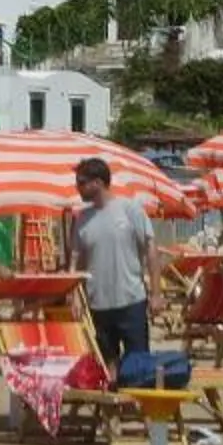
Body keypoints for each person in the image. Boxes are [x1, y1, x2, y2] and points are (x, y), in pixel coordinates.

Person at [69, 157, 156, 378]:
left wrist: (156, 293)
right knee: (109, 366)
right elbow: (76, 261)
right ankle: (113, 409)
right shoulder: (82, 219)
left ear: (97, 182)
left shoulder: (130, 209)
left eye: (81, 182)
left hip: (131, 300)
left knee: (138, 363)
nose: (77, 187)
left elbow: (150, 249)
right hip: (99, 304)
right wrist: (75, 295)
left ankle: (136, 409)